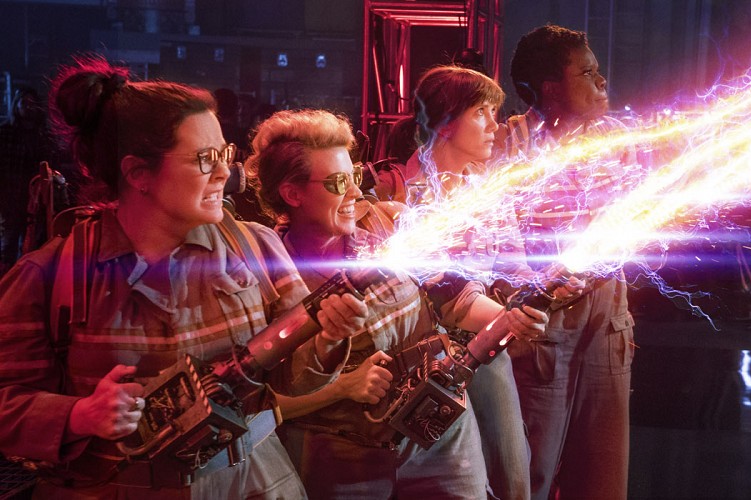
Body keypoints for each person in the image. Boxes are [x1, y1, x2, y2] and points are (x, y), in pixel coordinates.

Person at [0, 57, 361, 498]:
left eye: (225, 154)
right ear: (138, 173)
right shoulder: (50, 275)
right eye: (205, 159)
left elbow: (295, 377)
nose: (226, 172)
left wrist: (327, 338)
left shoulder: (257, 249)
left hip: (255, 483)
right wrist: (79, 415)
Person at [245, 108, 550, 499]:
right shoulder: (268, 273)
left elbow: (455, 302)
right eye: (339, 182)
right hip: (343, 454)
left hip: (440, 436)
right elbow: (258, 402)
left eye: (354, 176)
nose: (355, 193)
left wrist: (511, 318)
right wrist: (341, 389)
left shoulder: (388, 224)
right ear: (292, 193)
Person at [404, 65, 586, 500]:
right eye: (481, 113)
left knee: (512, 471)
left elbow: (514, 269)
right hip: (429, 356)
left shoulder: (486, 191)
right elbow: (446, 297)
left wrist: (548, 286)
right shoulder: (407, 195)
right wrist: (509, 319)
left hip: (486, 345)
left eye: (494, 112)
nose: (495, 125)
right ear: (445, 123)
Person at [502, 24, 636, 500]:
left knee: (602, 473)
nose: (602, 81)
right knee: (531, 471)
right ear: (551, 88)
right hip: (544, 323)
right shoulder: (512, 145)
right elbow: (498, 239)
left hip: (608, 319)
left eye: (599, 71)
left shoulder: (615, 141)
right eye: (587, 72)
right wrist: (539, 284)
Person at [0, 87, 55, 274]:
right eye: (24, 103)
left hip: (36, 197)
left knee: (32, 242)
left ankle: (25, 279)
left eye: (32, 103)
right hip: (12, 195)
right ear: (16, 105)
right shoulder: (5, 132)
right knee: (8, 242)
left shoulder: (43, 136)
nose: (28, 107)